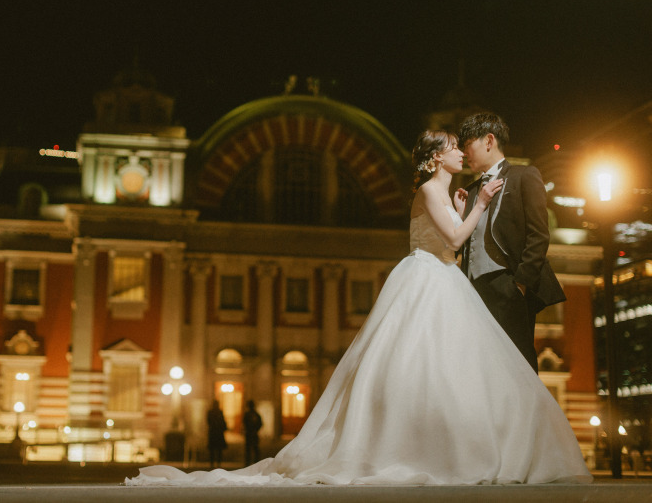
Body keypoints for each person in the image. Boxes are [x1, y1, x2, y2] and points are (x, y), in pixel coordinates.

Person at [127, 130, 591, 486]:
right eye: (453, 147)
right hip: (430, 278)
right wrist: (479, 205)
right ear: (435, 157)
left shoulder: (444, 192)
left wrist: (463, 206)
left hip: (443, 279)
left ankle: (458, 444)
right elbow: (453, 239)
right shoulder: (430, 190)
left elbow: (453, 238)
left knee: (448, 367)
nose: (460, 154)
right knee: (425, 364)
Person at [458, 112, 566, 373]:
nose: (464, 153)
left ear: (489, 140)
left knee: (518, 365)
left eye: (468, 144)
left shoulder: (523, 175)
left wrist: (520, 284)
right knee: (480, 366)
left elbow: (538, 235)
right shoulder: (470, 192)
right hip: (473, 291)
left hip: (510, 285)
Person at [206, 400, 227, 468]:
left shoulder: (211, 412)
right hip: (218, 433)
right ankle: (218, 463)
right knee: (218, 449)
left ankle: (212, 463)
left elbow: (208, 421)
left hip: (213, 432)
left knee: (213, 450)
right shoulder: (219, 412)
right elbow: (222, 421)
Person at [242, 400, 263, 466]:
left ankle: (248, 463)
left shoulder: (247, 414)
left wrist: (248, 429)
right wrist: (256, 430)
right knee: (255, 449)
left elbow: (244, 423)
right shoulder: (256, 414)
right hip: (254, 434)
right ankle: (256, 463)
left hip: (249, 434)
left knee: (248, 449)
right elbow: (260, 424)